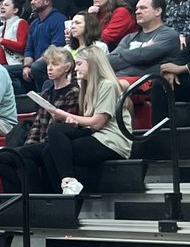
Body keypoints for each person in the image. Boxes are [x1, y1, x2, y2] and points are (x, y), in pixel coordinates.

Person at [41, 46, 133, 195]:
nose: (75, 68)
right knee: (50, 144)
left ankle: (69, 183)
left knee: (53, 147)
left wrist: (63, 115)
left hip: (111, 140)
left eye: (79, 64)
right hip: (96, 134)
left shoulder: (108, 85)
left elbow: (97, 123)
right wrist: (72, 122)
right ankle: (66, 193)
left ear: (93, 63)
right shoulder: (87, 86)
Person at [0, 47, 79, 194]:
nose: (50, 68)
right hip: (41, 143)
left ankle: (34, 196)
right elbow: (37, 124)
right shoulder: (46, 93)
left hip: (56, 145)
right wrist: (29, 144)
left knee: (24, 155)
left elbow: (67, 126)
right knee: (4, 158)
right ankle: (18, 197)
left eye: (55, 64)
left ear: (67, 67)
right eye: (48, 64)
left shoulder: (74, 91)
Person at [109, 0, 182, 77]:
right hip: (120, 78)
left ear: (157, 11)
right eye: (136, 9)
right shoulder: (129, 37)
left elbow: (144, 56)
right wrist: (138, 54)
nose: (137, 12)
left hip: (148, 81)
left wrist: (122, 53)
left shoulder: (168, 35)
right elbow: (109, 60)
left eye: (143, 8)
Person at [154, 0, 190, 122]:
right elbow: (185, 54)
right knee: (160, 83)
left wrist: (183, 68)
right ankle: (161, 136)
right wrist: (172, 69)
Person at [21, 0, 67, 89]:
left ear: (47, 1)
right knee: (9, 70)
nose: (32, 2)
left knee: (36, 67)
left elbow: (55, 48)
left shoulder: (59, 19)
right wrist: (26, 66)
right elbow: (29, 49)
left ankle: (46, 95)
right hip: (36, 63)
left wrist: (33, 65)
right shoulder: (33, 24)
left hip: (53, 61)